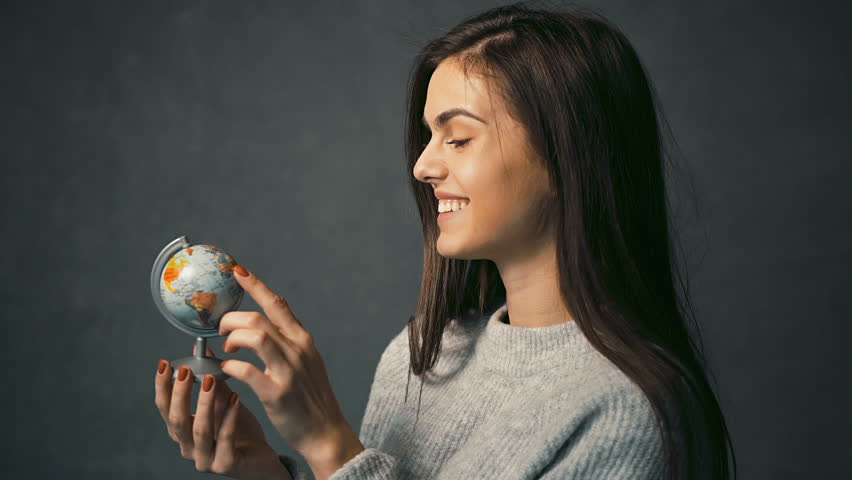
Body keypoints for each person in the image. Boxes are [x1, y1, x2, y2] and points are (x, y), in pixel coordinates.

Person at [154, 2, 738, 479]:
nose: (422, 166)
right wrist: (263, 471)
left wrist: (329, 442)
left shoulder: (622, 414)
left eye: (457, 139)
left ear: (568, 156)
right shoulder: (426, 354)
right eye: (428, 137)